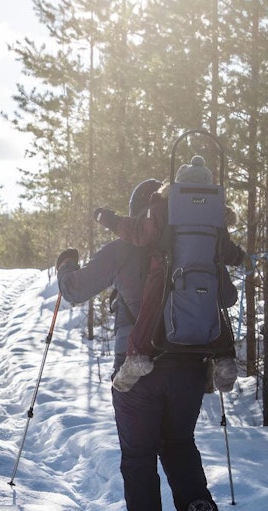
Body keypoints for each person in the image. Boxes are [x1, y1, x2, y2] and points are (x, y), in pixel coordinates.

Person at [55, 171, 229, 511]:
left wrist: (65, 264)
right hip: (187, 367)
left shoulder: (122, 250)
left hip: (136, 372)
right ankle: (197, 509)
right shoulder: (193, 247)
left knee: (138, 457)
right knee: (179, 444)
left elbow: (74, 291)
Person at [96, 155, 245, 393]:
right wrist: (241, 257)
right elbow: (226, 251)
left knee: (150, 307)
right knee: (213, 308)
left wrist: (109, 219)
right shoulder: (216, 214)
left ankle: (137, 356)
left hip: (166, 275)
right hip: (209, 276)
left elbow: (140, 233)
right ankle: (225, 358)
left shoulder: (166, 207)